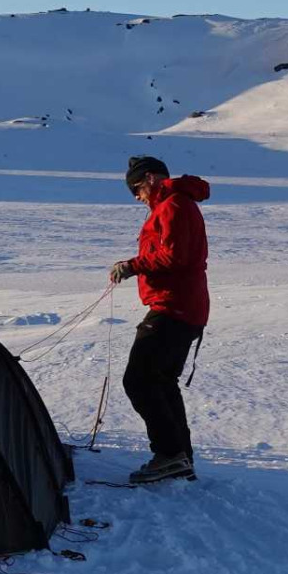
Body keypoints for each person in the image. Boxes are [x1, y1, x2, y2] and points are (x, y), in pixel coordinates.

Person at [108, 155, 210, 483]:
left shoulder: (173, 205)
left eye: (137, 189)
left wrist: (132, 265)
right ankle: (181, 457)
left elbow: (174, 255)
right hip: (182, 306)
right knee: (162, 381)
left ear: (150, 179)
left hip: (174, 308)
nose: (137, 197)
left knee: (138, 379)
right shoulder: (171, 204)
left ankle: (169, 454)